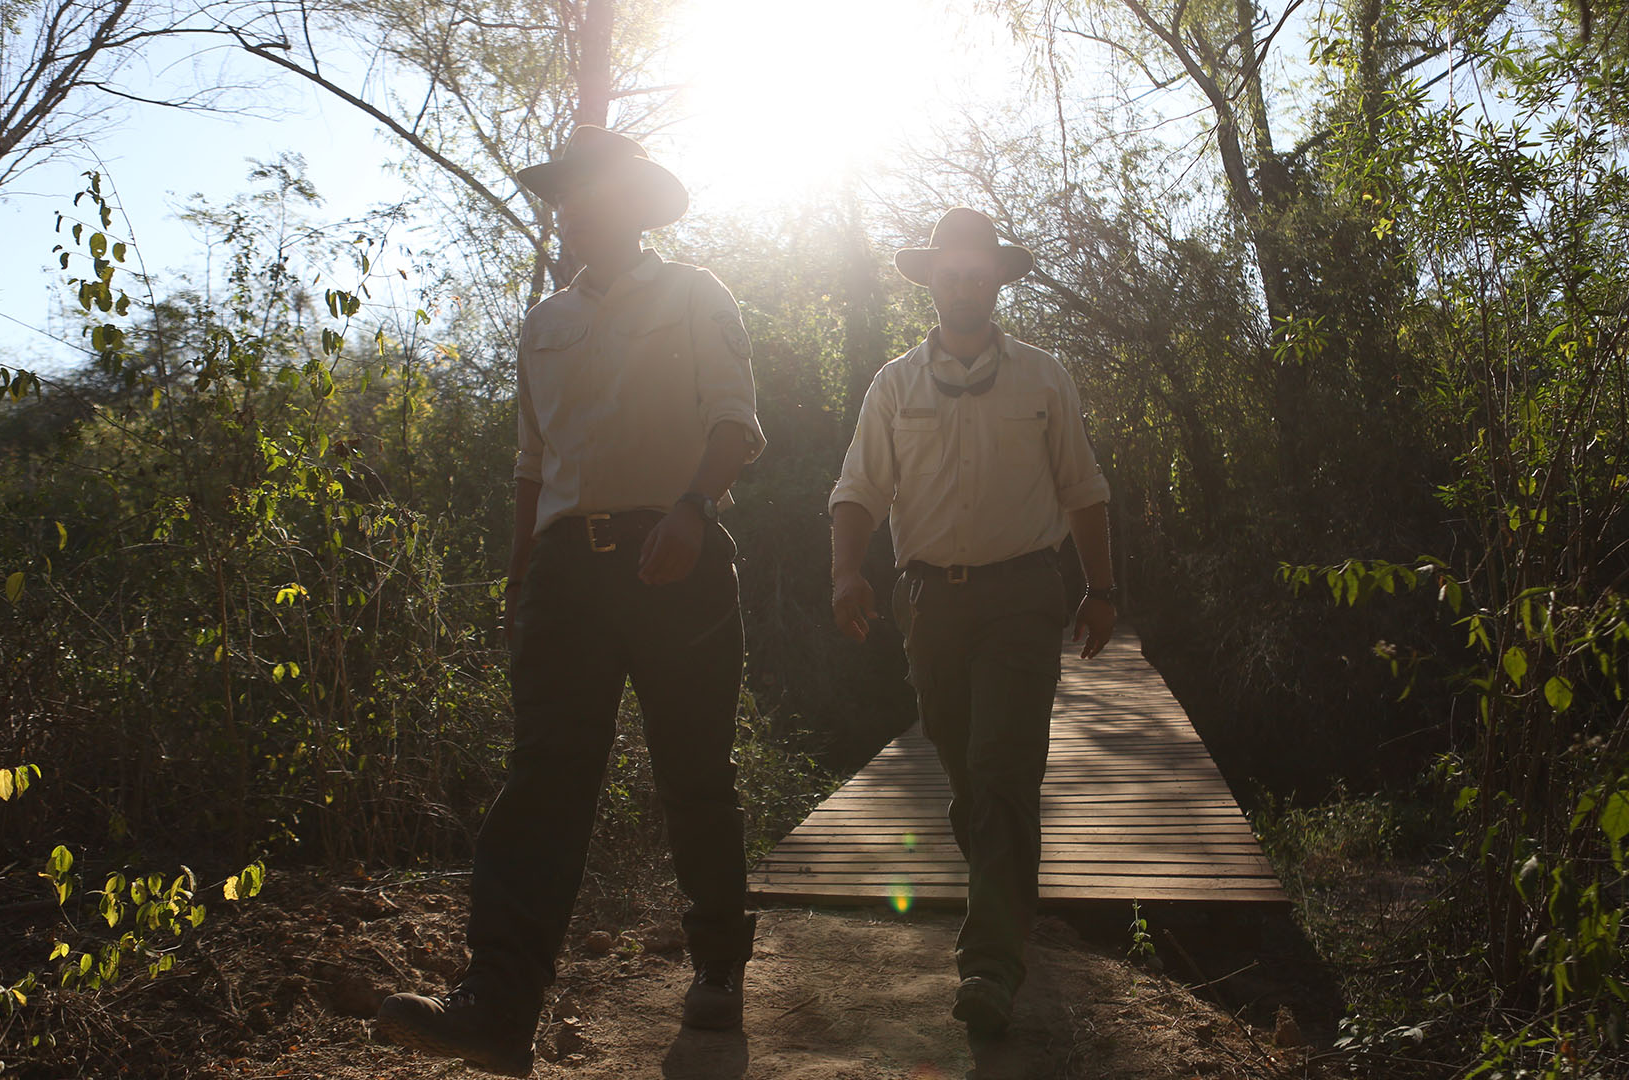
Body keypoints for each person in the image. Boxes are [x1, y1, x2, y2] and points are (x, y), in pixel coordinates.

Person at [376, 125, 765, 1076]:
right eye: (562, 192)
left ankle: (717, 959)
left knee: (693, 772)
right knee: (544, 777)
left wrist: (692, 509)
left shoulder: (693, 293)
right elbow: (530, 465)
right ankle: (498, 1005)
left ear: (631, 200)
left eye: (587, 189)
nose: (570, 206)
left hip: (675, 557)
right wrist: (521, 580)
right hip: (565, 576)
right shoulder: (542, 320)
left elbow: (737, 424)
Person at [827, 206, 1117, 1037]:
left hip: (1025, 595)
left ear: (996, 281)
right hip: (930, 605)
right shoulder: (893, 385)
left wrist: (1102, 589)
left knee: (1001, 767)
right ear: (933, 280)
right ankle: (1007, 884)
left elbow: (1083, 487)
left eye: (977, 272)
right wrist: (847, 572)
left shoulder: (1043, 378)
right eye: (950, 271)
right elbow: (857, 491)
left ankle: (990, 963)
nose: (964, 283)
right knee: (965, 776)